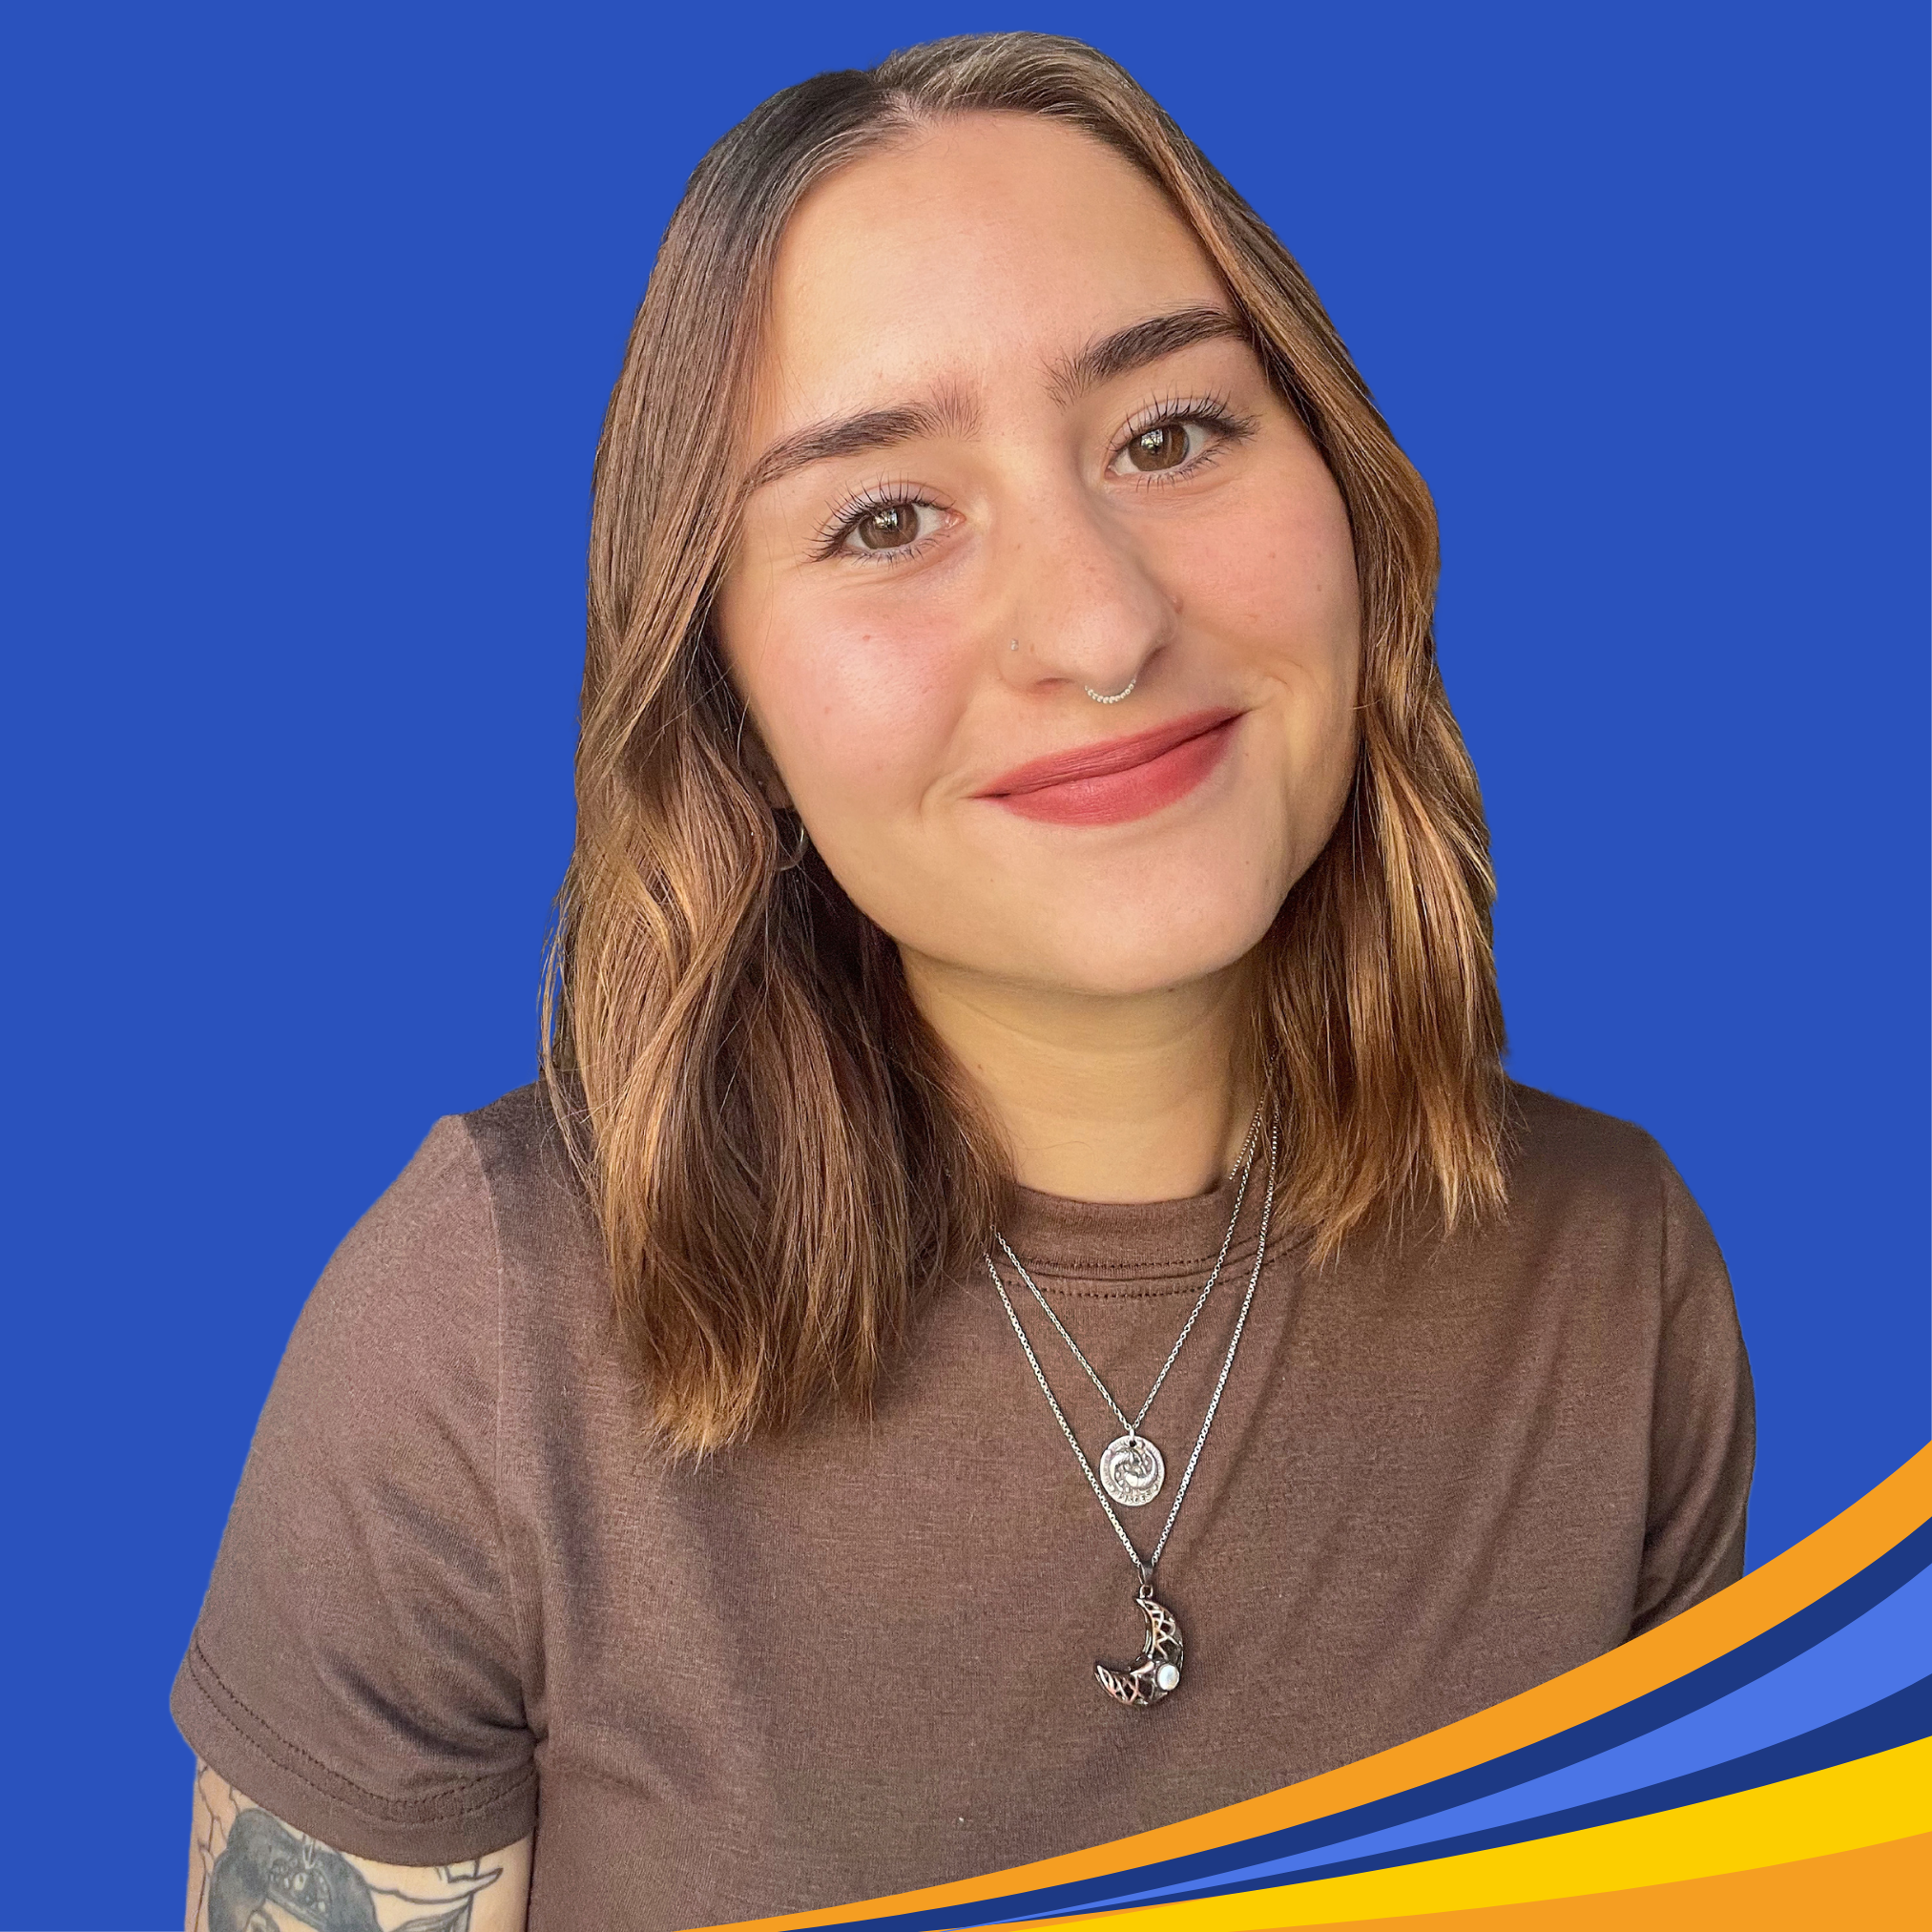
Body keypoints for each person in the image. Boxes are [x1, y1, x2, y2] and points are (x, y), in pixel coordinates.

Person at [172, 31, 1754, 1931]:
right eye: (884, 519)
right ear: (728, 702)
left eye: (1169, 433)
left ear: (1351, 499)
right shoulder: (476, 1340)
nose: (1097, 623)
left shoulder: (1616, 1278)